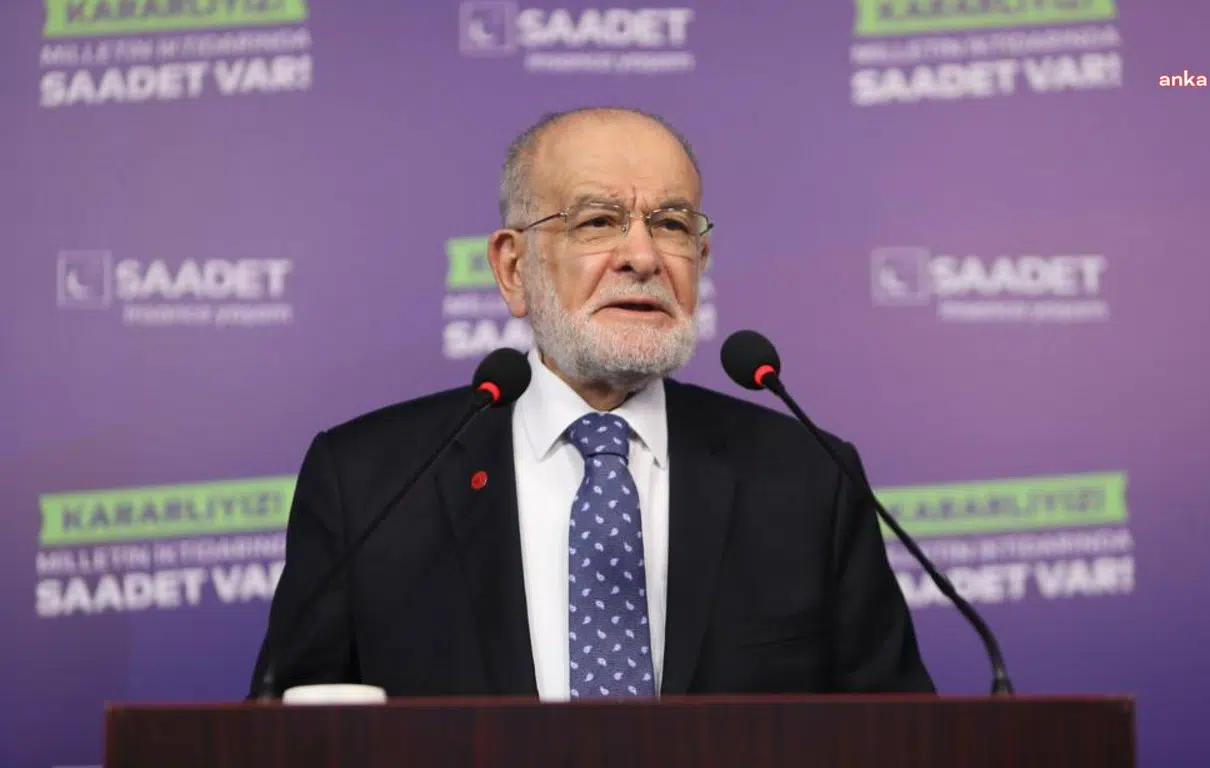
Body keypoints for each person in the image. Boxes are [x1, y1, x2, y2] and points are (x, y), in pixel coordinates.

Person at [249, 106, 934, 699]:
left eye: (671, 224)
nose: (643, 256)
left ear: (700, 260)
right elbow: (285, 730)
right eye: (598, 221)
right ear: (514, 268)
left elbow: (894, 735)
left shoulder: (810, 480)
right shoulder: (369, 483)